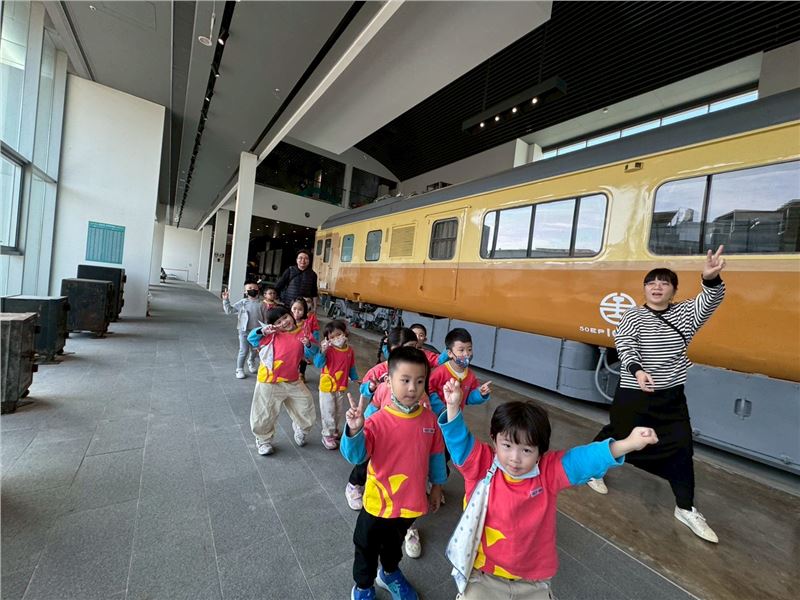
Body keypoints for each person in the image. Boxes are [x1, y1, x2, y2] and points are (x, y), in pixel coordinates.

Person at [439, 380, 658, 599]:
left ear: (541, 451)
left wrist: (628, 444)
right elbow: (459, 441)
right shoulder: (481, 465)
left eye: (526, 450)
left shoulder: (547, 472)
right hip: (483, 574)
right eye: (507, 445)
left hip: (532, 581)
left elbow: (583, 460)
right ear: (494, 440)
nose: (514, 458)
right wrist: (453, 406)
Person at [588, 246, 726, 543]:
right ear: (645, 289)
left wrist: (710, 278)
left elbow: (711, 299)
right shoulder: (633, 315)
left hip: (671, 396)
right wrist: (638, 371)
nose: (657, 287)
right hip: (634, 393)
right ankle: (593, 468)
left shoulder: (686, 314)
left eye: (664, 283)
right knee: (618, 434)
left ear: (674, 290)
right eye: (651, 282)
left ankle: (685, 507)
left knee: (681, 446)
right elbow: (625, 344)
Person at [341, 347, 447, 600]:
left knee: (393, 545)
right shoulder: (377, 421)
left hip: (410, 503)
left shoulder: (430, 421)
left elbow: (436, 455)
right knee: (366, 546)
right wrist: (354, 430)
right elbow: (356, 456)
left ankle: (389, 573)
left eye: (419, 381)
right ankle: (363, 586)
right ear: (388, 381)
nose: (412, 388)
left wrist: (437, 486)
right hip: (378, 503)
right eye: (405, 380)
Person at [345, 327, 419, 512]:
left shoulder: (419, 369)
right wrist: (371, 387)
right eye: (401, 349)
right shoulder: (379, 370)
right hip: (380, 422)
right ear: (390, 350)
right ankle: (354, 484)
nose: (408, 353)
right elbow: (363, 389)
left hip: (405, 423)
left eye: (413, 347)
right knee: (368, 457)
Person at [246, 306, 318, 456]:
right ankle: (263, 440)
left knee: (306, 404)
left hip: (293, 379)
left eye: (285, 317)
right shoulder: (272, 334)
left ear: (291, 315)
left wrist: (308, 344)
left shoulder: (303, 332)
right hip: (270, 380)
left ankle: (301, 428)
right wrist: (262, 331)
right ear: (273, 325)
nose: (284, 322)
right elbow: (251, 339)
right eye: (278, 322)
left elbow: (312, 353)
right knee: (265, 412)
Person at [313, 319, 358, 450]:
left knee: (338, 411)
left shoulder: (349, 351)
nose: (336, 338)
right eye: (331, 337)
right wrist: (322, 351)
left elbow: (351, 366)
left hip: (341, 387)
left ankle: (334, 430)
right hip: (327, 387)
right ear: (327, 339)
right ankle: (327, 435)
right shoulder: (328, 350)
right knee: (328, 411)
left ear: (345, 333)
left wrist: (355, 378)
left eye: (338, 334)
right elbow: (318, 364)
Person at [428, 328, 491, 417]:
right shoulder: (439, 372)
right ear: (450, 353)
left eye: (469, 349)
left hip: (455, 417)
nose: (466, 354)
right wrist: (441, 409)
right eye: (461, 350)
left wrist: (480, 393)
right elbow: (429, 391)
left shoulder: (471, 376)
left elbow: (468, 398)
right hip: (435, 418)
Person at [222, 281, 269, 379]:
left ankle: (251, 361)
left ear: (258, 290)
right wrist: (226, 300)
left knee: (255, 350)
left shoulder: (262, 304)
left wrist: (266, 329)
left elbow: (265, 318)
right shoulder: (243, 302)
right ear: (245, 291)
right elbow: (229, 310)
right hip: (244, 331)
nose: (252, 290)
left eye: (254, 288)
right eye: (250, 288)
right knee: (243, 350)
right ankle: (239, 369)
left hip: (257, 332)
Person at [289, 298, 318, 382]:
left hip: (301, 347)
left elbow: (309, 336)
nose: (297, 311)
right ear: (290, 308)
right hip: (290, 348)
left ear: (304, 311)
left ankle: (301, 373)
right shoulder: (287, 322)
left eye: (300, 309)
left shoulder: (305, 324)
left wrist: (308, 343)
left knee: (303, 361)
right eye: (294, 308)